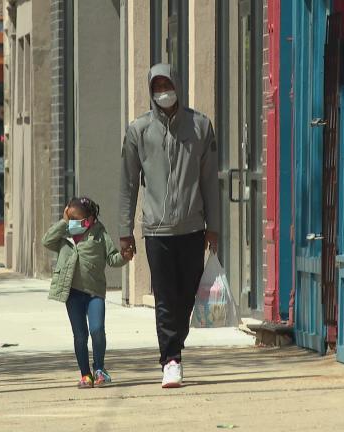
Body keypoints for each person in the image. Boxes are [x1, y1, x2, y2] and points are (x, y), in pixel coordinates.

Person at [119, 63, 220, 388]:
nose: (163, 90)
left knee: (187, 296)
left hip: (192, 227)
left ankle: (175, 345)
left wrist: (213, 225)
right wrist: (125, 231)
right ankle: (171, 360)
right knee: (165, 296)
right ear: (150, 90)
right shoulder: (139, 130)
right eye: (157, 85)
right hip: (156, 230)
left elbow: (209, 182)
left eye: (167, 83)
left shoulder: (200, 126)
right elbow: (128, 184)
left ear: (177, 84)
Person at [42, 196, 128, 389]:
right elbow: (46, 240)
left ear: (88, 219)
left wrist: (124, 256)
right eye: (69, 218)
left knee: (97, 330)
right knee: (80, 335)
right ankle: (85, 374)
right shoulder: (64, 237)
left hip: (94, 292)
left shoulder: (99, 234)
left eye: (76, 219)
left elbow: (112, 258)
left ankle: (99, 369)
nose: (73, 223)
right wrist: (64, 222)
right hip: (72, 294)